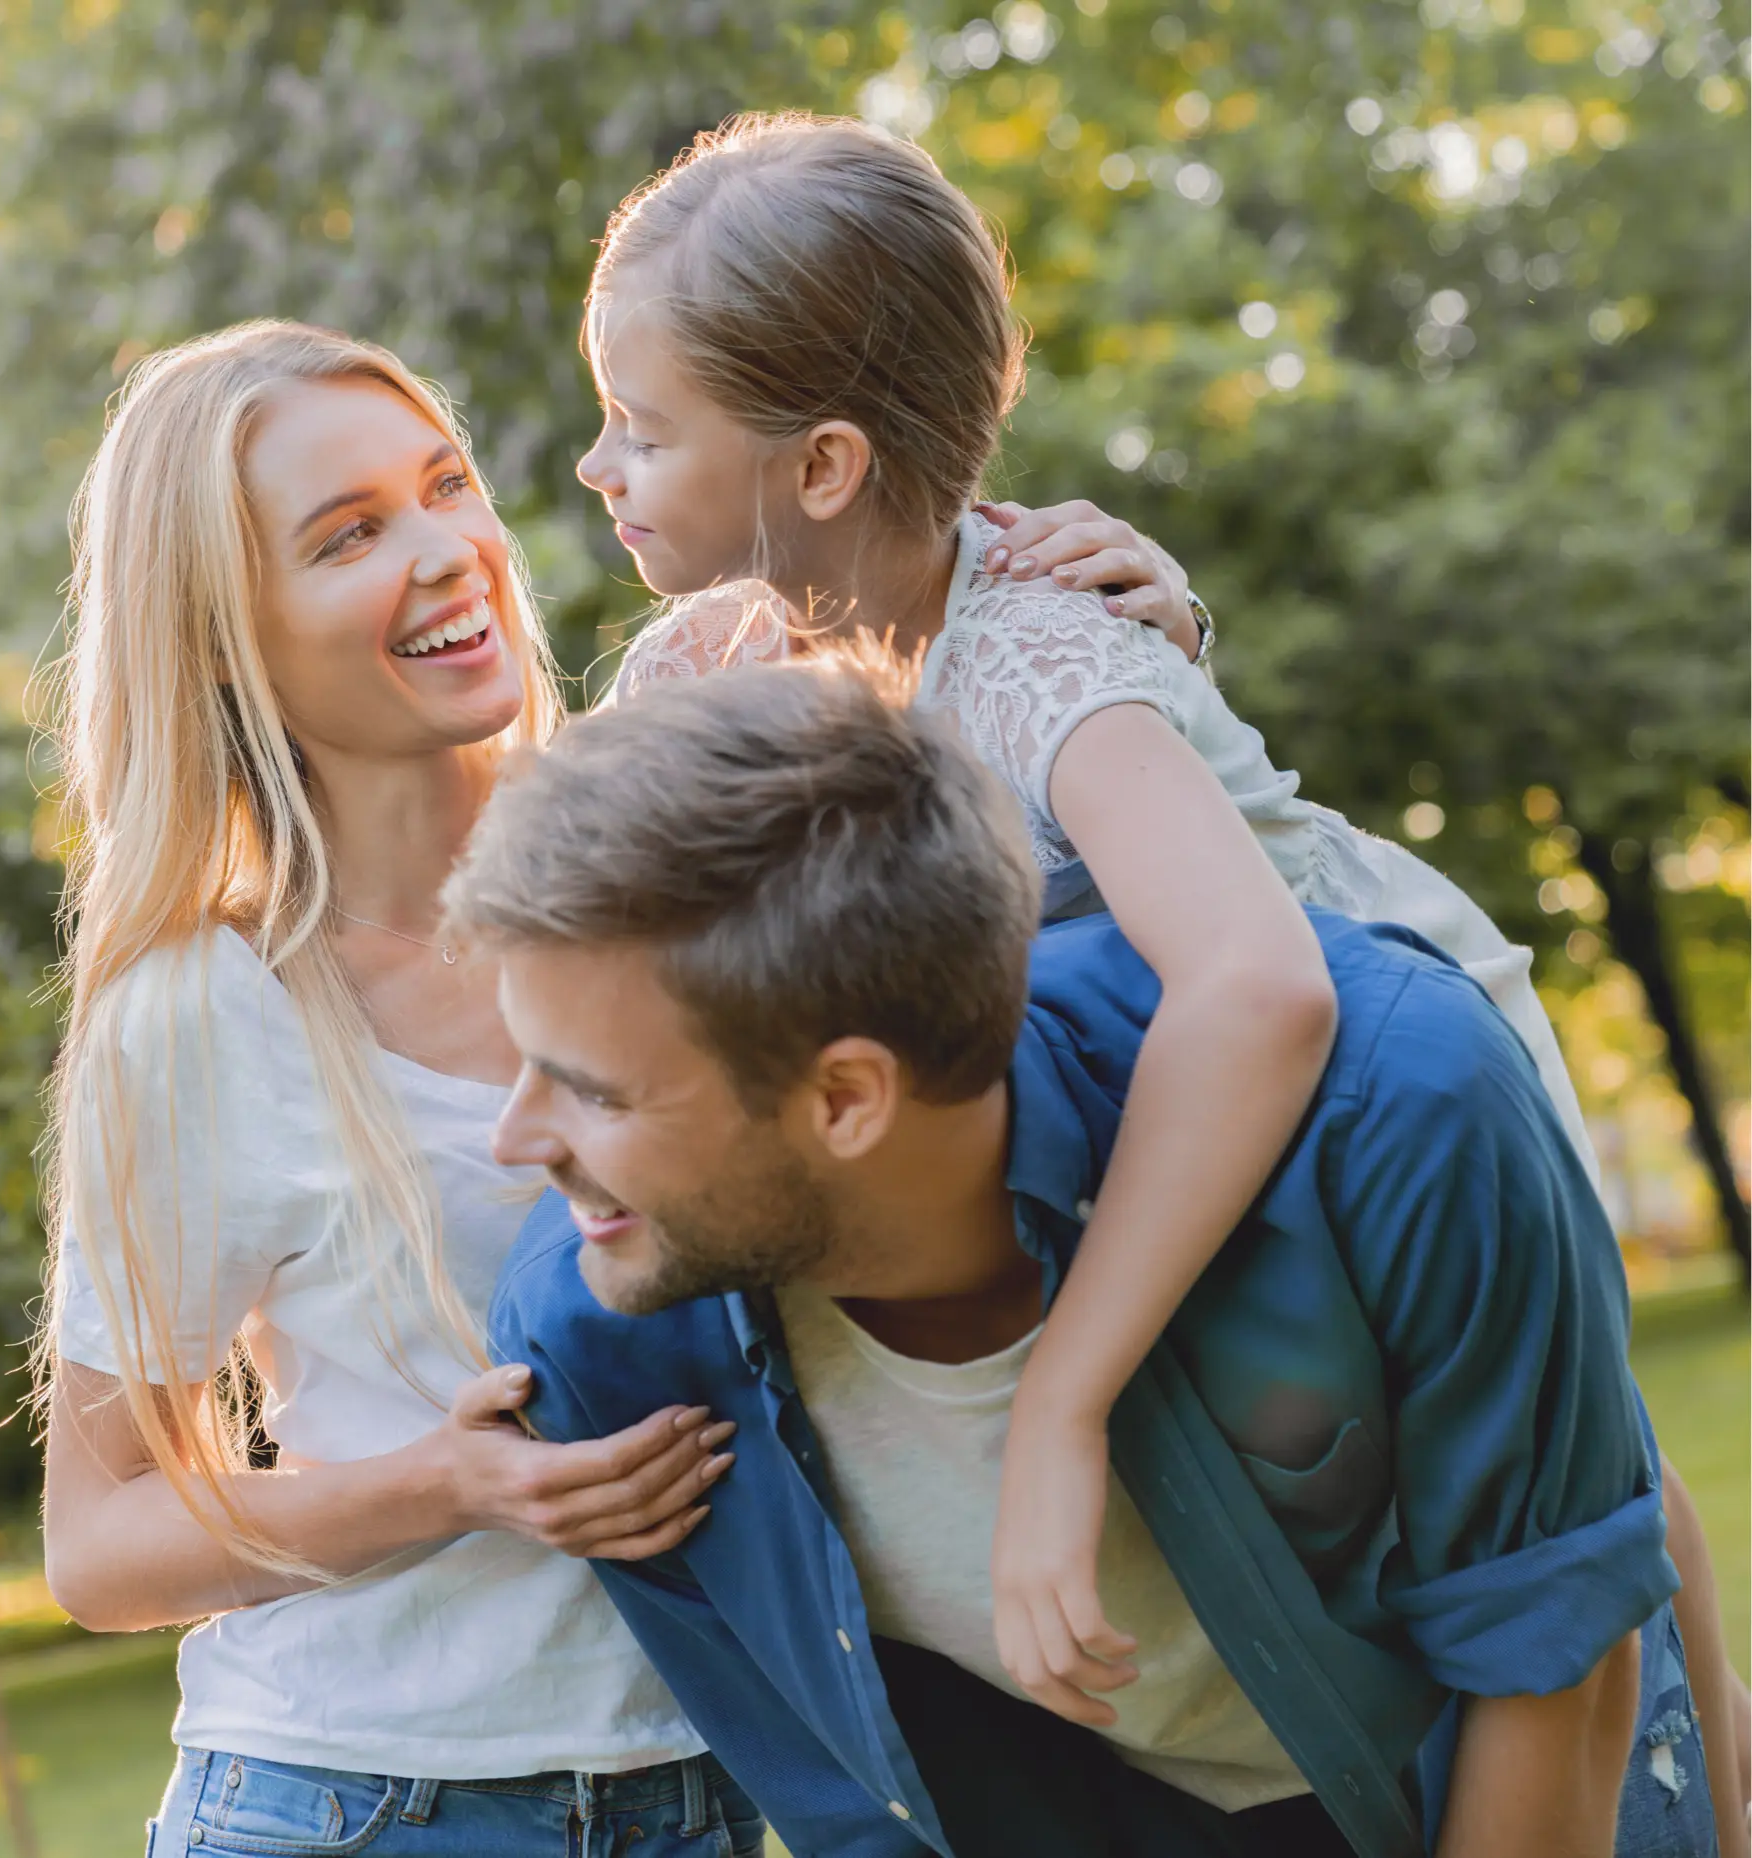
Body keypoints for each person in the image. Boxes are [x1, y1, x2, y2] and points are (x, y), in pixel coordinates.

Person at [558, 115, 1721, 1775]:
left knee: (1579, 1497)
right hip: (1149, 1088)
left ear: (820, 467)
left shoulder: (1034, 653)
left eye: (634, 429)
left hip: (1368, 1086)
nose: (596, 470)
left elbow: (1257, 988)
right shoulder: (700, 677)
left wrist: (1062, 1399)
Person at [32, 317, 1208, 1855]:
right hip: (365, 1801)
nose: (449, 549)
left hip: (714, 1785)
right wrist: (452, 1481)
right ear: (223, 636)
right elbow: (98, 1541)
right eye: (349, 535)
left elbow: (1002, 886)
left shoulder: (677, 834)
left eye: (446, 484)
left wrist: (1136, 626)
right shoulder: (203, 1011)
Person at [462, 656, 1715, 1857]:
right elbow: (870, 1814)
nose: (516, 1142)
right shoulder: (604, 1336)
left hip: (1521, 1762)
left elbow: (1547, 1663)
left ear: (845, 1098)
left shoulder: (1400, 1108)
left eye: (591, 1094)